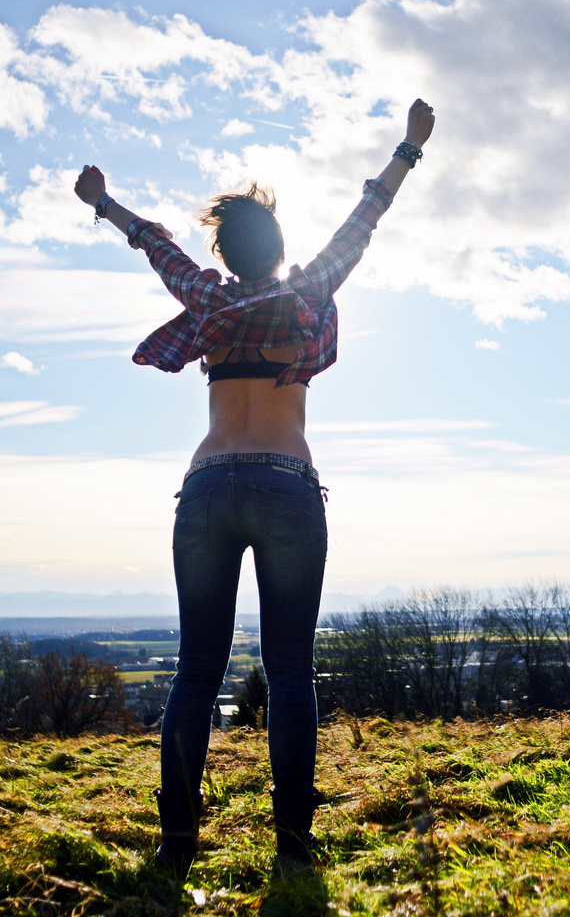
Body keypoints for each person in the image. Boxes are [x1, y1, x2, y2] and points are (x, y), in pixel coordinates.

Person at [73, 98, 435, 874]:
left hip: (207, 485)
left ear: (228, 253)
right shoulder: (307, 295)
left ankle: (177, 840)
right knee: (292, 668)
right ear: (276, 249)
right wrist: (407, 148)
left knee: (196, 671)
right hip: (285, 485)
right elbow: (362, 223)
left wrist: (104, 203)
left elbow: (154, 245)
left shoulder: (206, 296)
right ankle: (295, 844)